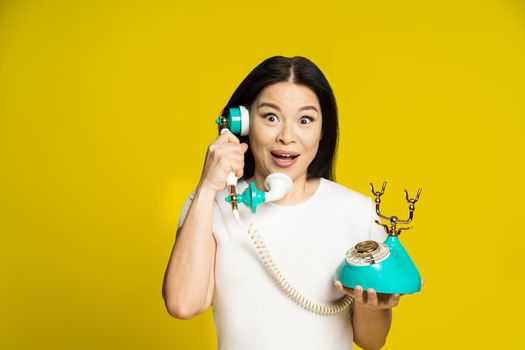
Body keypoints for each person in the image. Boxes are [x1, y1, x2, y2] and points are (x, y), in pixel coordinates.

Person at [162, 56, 404, 349]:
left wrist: (372, 306)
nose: (287, 137)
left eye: (305, 120)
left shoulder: (358, 211)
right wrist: (207, 186)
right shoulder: (211, 203)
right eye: (270, 117)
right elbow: (183, 304)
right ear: (244, 123)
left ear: (322, 130)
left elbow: (371, 341)